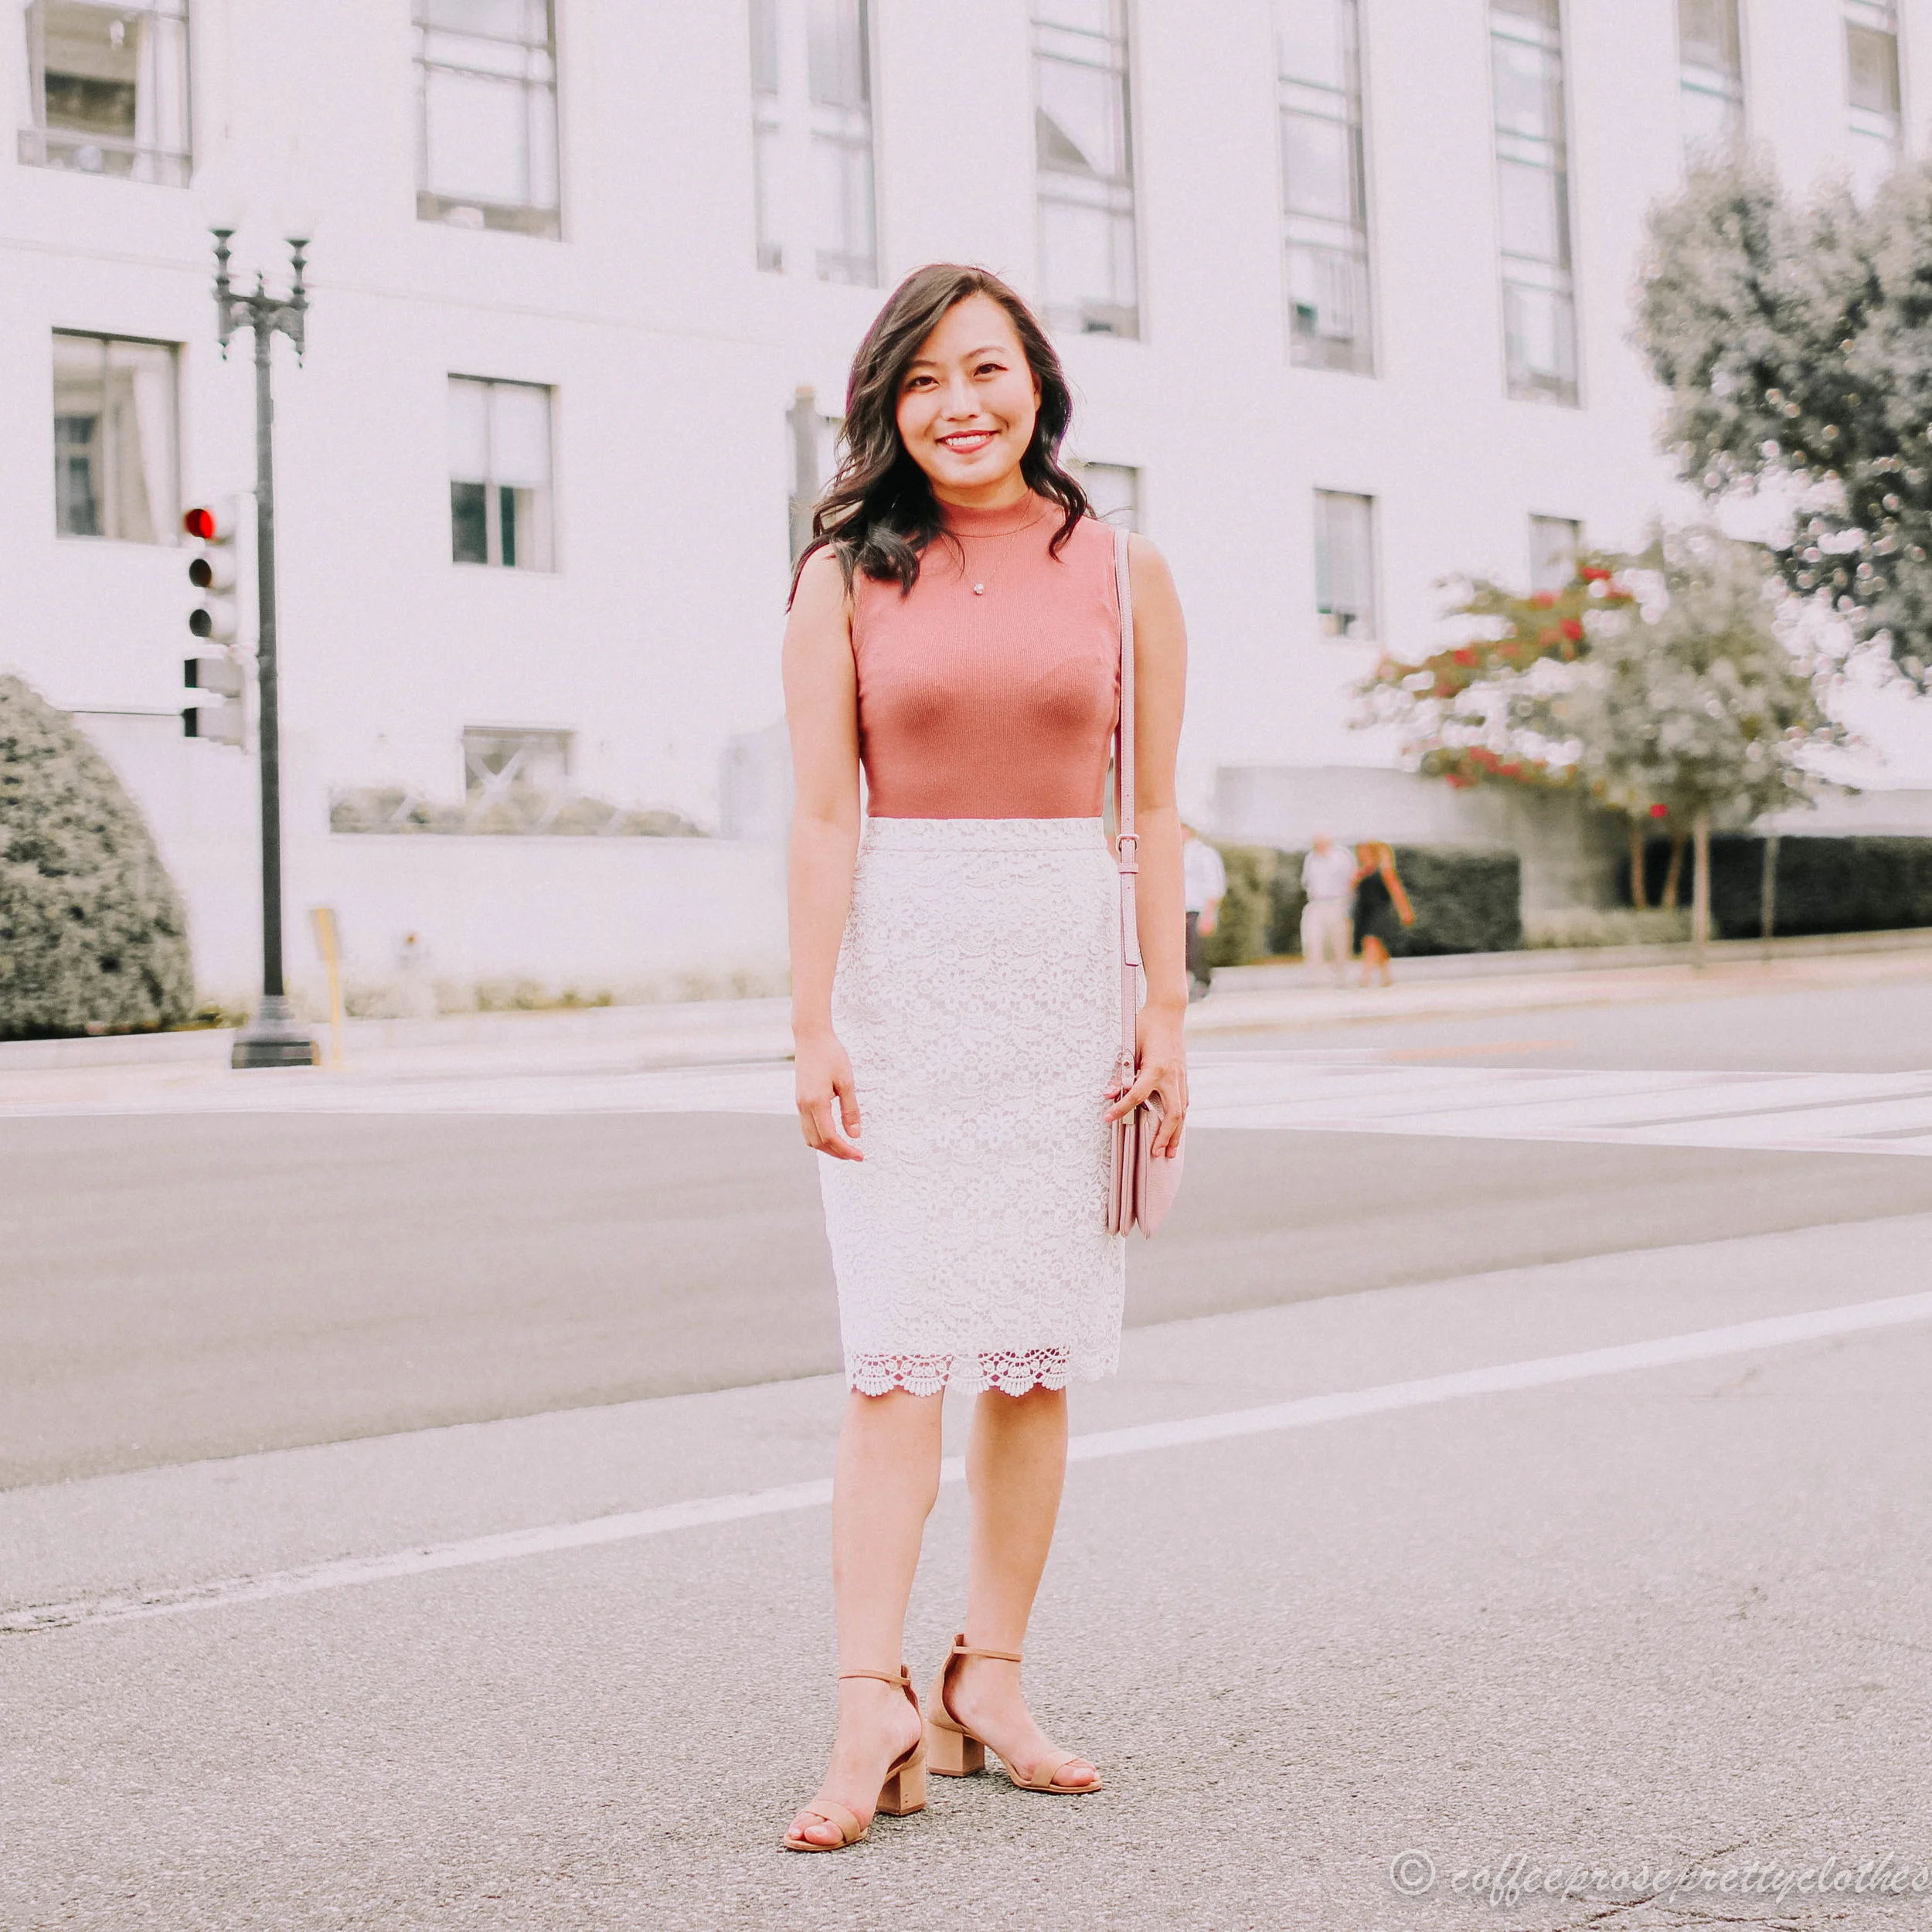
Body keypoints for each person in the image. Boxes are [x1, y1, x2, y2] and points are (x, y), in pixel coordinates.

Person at [781, 264, 1189, 1852]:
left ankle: (987, 1678)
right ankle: (864, 1690)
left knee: (1029, 1357)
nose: (958, 404)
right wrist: (810, 1017)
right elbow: (824, 812)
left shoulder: (1121, 566)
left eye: (986, 370)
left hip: (1060, 974)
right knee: (892, 1354)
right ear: (886, 405)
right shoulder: (839, 575)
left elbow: (1147, 805)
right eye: (922, 381)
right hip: (903, 971)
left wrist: (1165, 1005)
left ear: (1037, 383)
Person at [1352, 841, 1415, 987]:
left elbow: (1396, 889)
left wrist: (1405, 910)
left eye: (1364, 850)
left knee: (1370, 940)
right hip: (1364, 911)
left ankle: (1365, 978)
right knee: (1376, 944)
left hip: (1380, 909)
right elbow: (1355, 891)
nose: (1361, 854)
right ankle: (1387, 976)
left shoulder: (1384, 869)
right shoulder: (1361, 871)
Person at [1299, 829, 1355, 986]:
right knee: (1313, 940)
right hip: (1316, 904)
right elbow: (1307, 881)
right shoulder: (1311, 858)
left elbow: (1352, 880)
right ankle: (1315, 978)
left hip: (1338, 904)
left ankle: (1341, 977)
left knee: (1339, 942)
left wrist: (1347, 904)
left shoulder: (1342, 857)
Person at [1182, 823, 1226, 1000]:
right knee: (1184, 953)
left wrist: (1209, 914)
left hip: (1197, 910)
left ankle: (1203, 983)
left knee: (1195, 951)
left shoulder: (1204, 853)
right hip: (1182, 910)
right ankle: (1192, 985)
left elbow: (1214, 885)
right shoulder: (1179, 852)